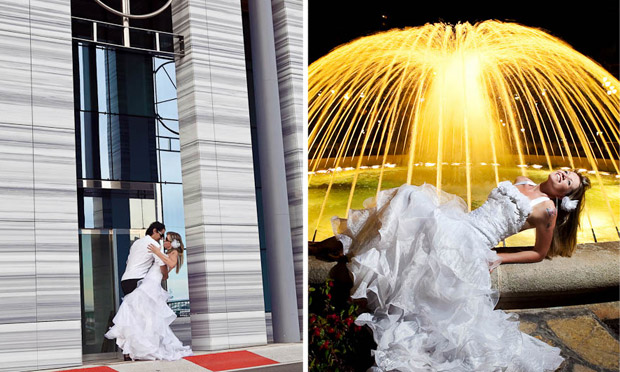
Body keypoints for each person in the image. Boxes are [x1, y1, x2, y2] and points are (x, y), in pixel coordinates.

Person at [310, 169, 590, 371]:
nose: (563, 175)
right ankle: (346, 243)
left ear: (566, 197)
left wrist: (500, 258)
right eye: (565, 171)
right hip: (459, 224)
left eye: (568, 182)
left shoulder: (547, 212)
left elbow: (539, 253)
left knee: (410, 200)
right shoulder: (522, 180)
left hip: (471, 243)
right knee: (409, 196)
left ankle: (341, 245)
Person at [105, 229, 193, 361]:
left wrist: (158, 253)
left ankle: (143, 348)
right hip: (147, 284)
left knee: (142, 316)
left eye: (167, 239)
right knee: (140, 317)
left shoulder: (173, 253)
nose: (164, 241)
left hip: (150, 287)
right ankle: (135, 349)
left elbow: (171, 264)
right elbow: (165, 272)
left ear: (173, 243)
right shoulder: (167, 253)